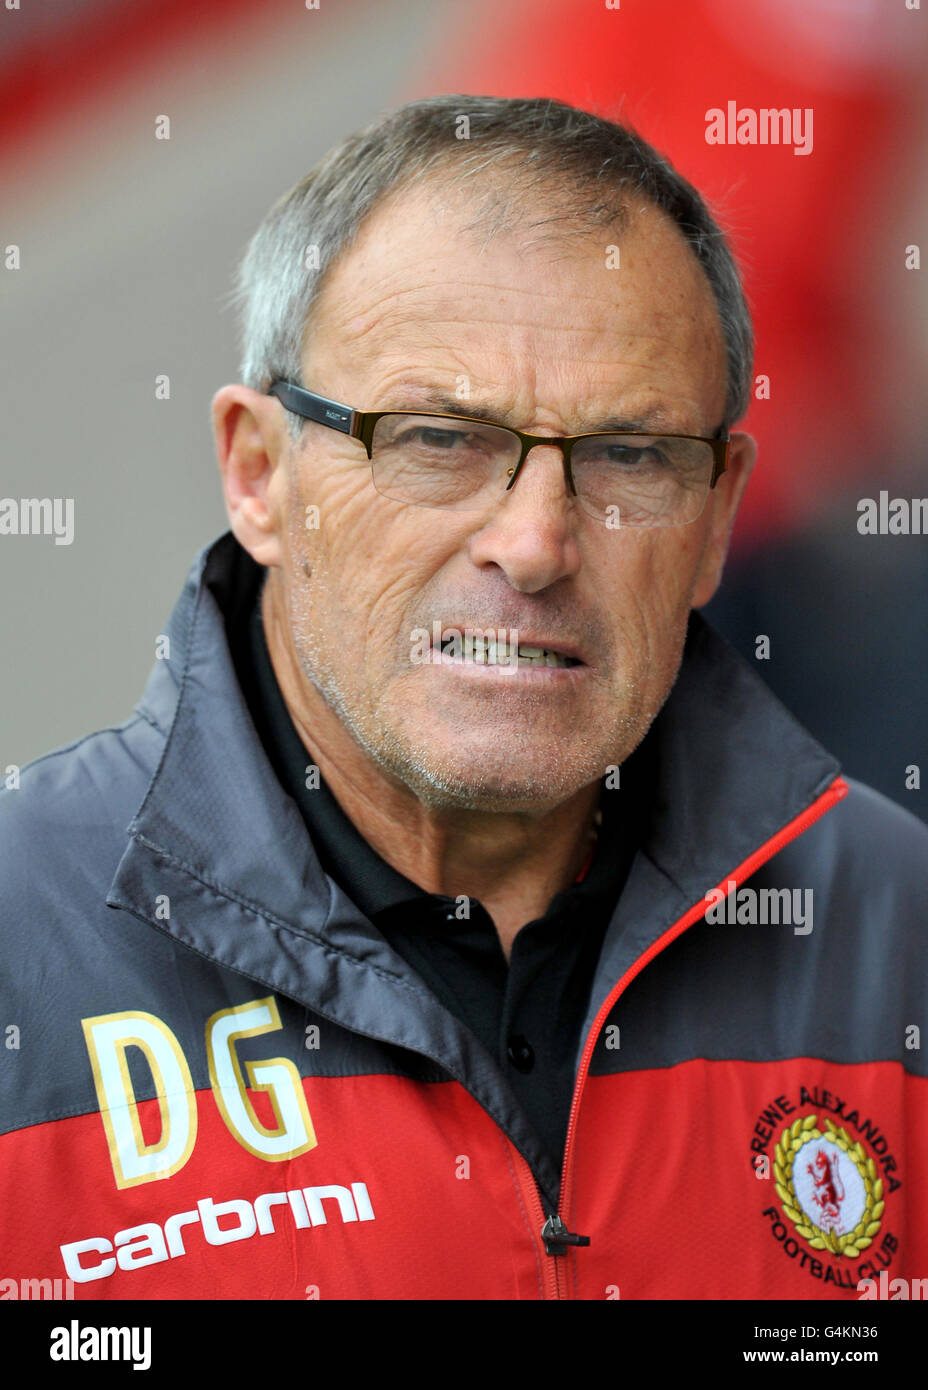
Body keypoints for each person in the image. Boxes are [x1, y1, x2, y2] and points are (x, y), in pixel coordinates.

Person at [1, 95, 925, 1302]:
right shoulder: (25, 951)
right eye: (439, 438)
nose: (536, 541)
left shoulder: (893, 929)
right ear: (260, 475)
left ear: (715, 519)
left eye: (629, 455)